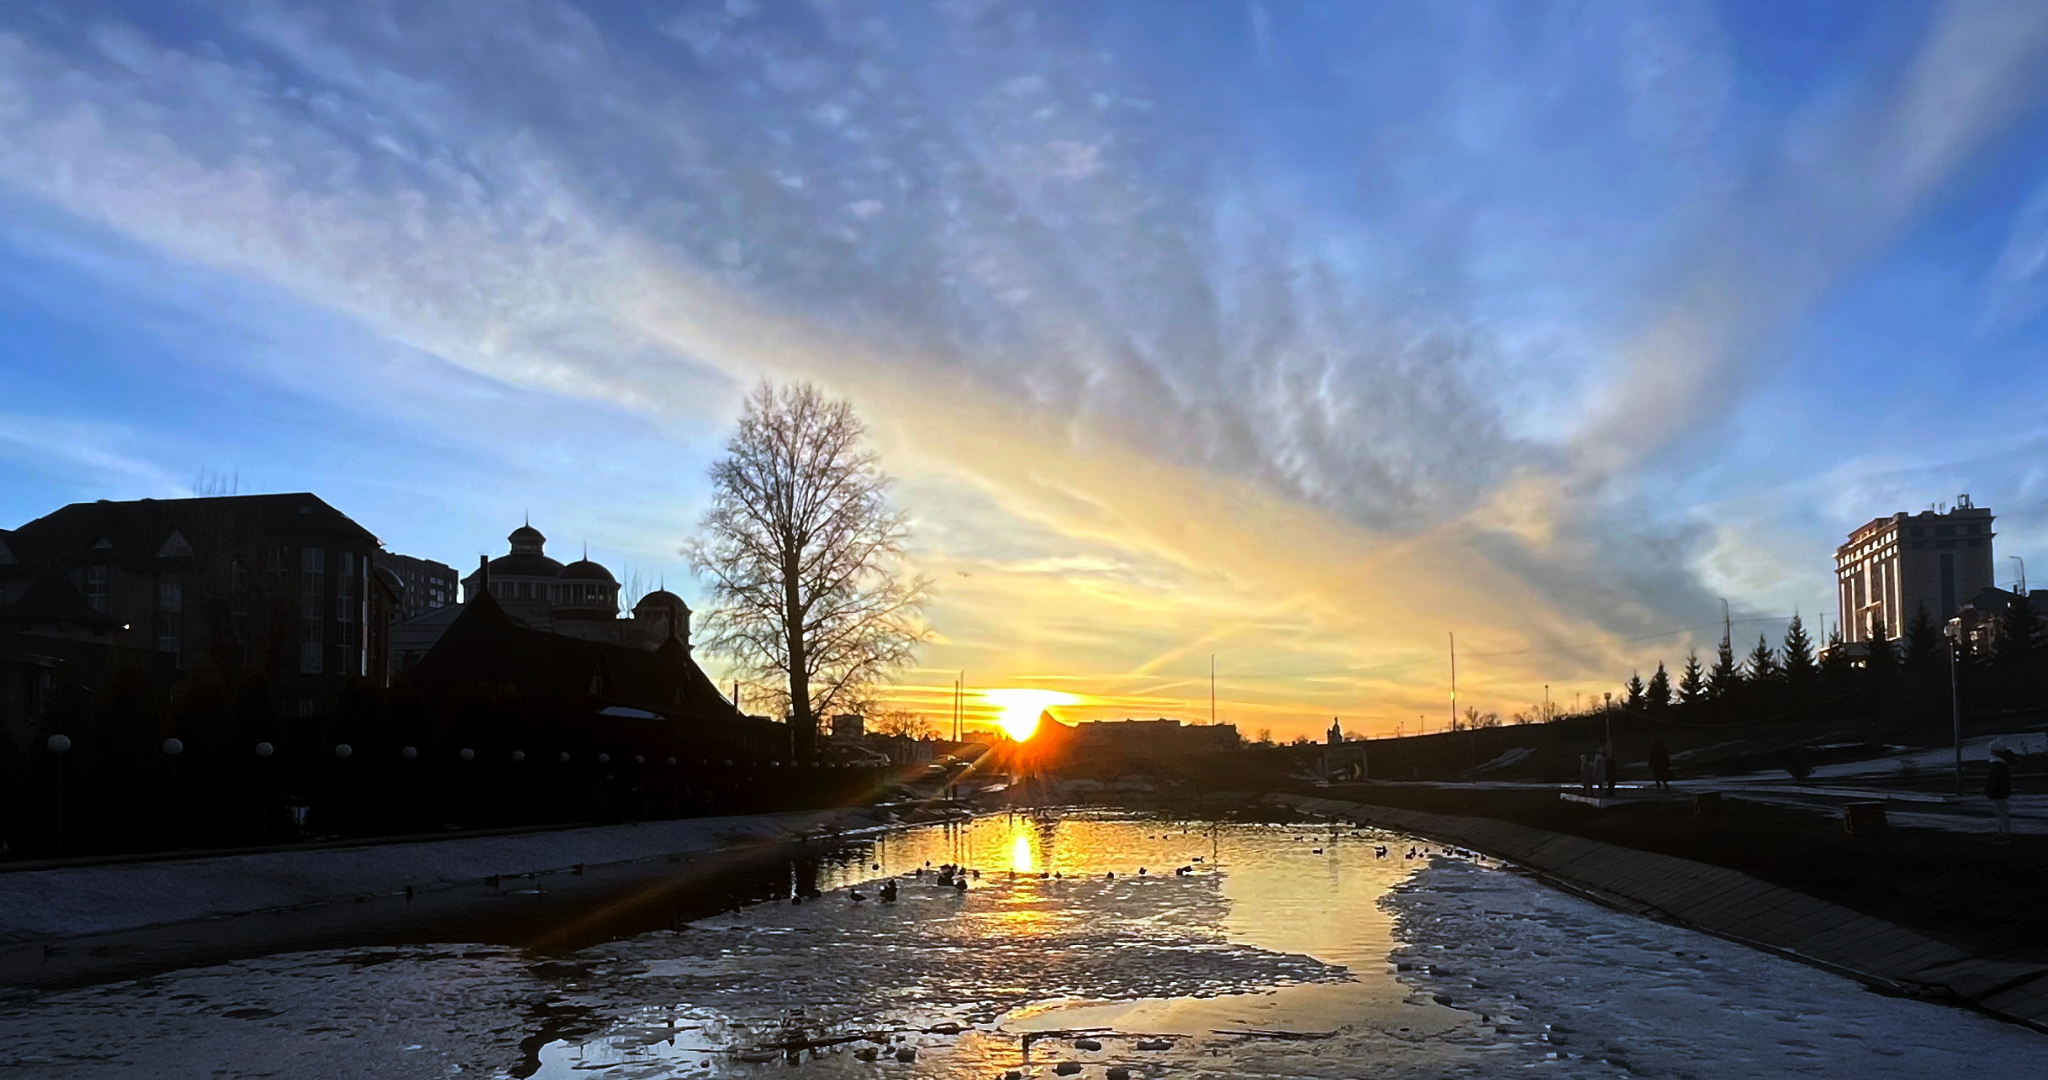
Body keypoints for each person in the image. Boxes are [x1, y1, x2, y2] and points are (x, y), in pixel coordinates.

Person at [1987, 744, 2016, 845]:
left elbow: (1995, 780)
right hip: (2000, 792)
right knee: (2001, 813)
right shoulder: (2001, 765)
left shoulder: (1997, 765)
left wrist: (1990, 790)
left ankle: (2004, 834)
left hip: (1997, 793)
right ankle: (2002, 833)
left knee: (2002, 814)